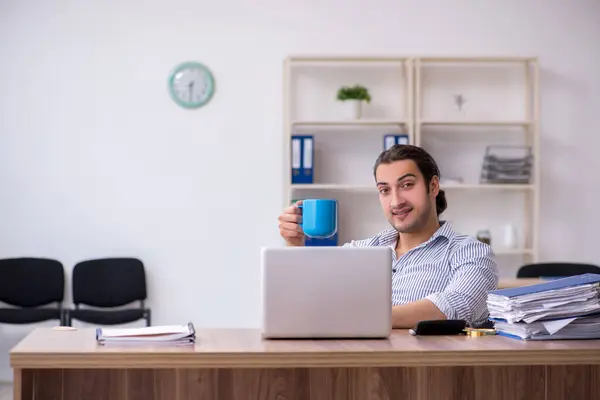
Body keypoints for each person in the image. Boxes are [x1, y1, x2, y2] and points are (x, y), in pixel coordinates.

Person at [278, 144, 499, 329]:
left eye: (407, 185)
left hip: (426, 373)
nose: (396, 201)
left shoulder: (471, 251)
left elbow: (457, 307)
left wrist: (357, 318)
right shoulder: (363, 249)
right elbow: (309, 297)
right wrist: (294, 244)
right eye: (385, 190)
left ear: (433, 187)